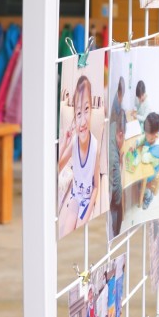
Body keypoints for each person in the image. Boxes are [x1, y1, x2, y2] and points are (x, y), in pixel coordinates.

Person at [58, 74, 100, 237]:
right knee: (66, 235)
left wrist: (88, 212)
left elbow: (96, 185)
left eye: (87, 110)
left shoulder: (95, 146)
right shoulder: (74, 142)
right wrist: (63, 144)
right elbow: (57, 168)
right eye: (78, 113)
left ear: (92, 111)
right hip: (75, 198)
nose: (83, 121)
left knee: (81, 235)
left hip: (87, 200)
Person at [108, 77, 126, 240]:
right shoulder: (113, 157)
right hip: (111, 203)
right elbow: (117, 194)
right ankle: (116, 233)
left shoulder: (113, 124)